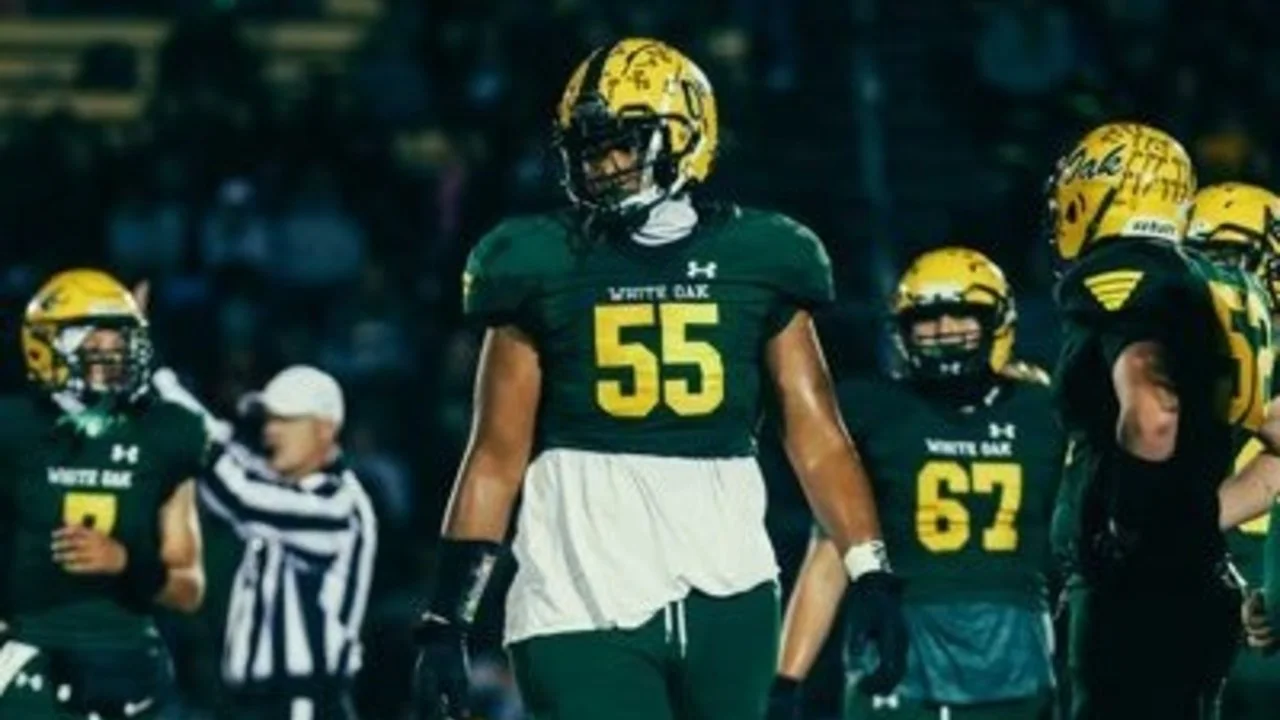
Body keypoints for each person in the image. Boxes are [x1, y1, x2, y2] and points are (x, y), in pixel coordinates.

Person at [412, 37, 906, 720]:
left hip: (730, 582)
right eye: (590, 149)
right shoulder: (537, 259)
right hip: (580, 588)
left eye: (623, 144)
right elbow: (496, 455)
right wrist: (447, 619)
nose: (604, 165)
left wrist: (871, 571)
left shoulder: (762, 254)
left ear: (686, 136)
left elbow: (816, 435)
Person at [769, 247, 1063, 720]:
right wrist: (786, 681)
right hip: (901, 645)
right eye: (927, 319)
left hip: (1014, 650)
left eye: (961, 315)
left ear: (997, 321)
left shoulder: (1044, 412)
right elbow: (830, 555)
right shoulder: (873, 411)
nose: (944, 330)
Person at [1047, 122, 1274, 717]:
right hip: (1205, 583)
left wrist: (1129, 530)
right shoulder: (1237, 288)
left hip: (1136, 596)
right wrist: (1194, 525)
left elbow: (1153, 413)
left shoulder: (1123, 270)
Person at [0, 268, 206, 719]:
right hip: (30, 656)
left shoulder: (166, 433)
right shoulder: (13, 429)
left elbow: (188, 589)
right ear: (43, 344)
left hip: (130, 662)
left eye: (118, 339)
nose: (111, 353)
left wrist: (127, 562)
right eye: (93, 339)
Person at [153, 365, 378, 720]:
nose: (270, 429)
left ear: (325, 428)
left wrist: (164, 391)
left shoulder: (338, 503)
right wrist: (164, 386)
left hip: (303, 703)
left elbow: (238, 494)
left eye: (285, 419)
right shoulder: (286, 490)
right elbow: (229, 448)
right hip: (258, 704)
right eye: (269, 419)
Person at [1183, 183, 1280, 718]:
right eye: (1195, 259)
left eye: (1226, 258)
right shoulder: (1164, 357)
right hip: (1198, 598)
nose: (1210, 277)